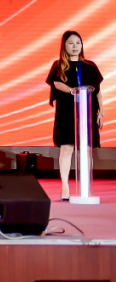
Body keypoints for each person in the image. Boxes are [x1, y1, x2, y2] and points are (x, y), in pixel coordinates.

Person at [46, 31, 104, 201]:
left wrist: (102, 111)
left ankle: (85, 186)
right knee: (66, 148)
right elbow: (56, 83)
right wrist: (72, 90)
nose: (75, 46)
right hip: (66, 113)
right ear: (64, 45)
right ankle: (65, 187)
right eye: (71, 43)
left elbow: (98, 92)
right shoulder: (58, 65)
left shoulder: (90, 66)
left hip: (87, 112)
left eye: (78, 43)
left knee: (86, 150)